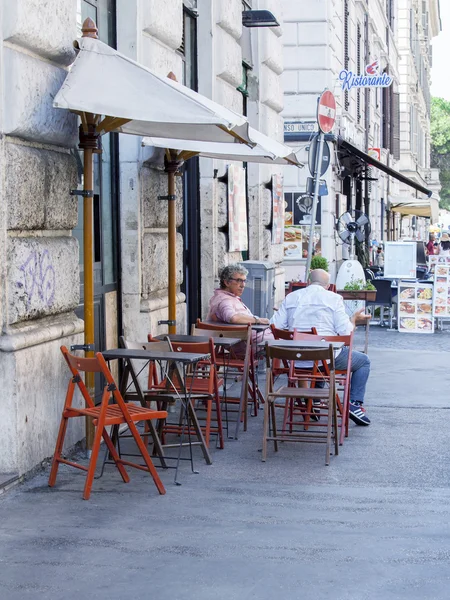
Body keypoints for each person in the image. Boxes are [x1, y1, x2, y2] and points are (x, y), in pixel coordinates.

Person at [270, 268, 372, 426]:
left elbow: (274, 325)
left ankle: (314, 403)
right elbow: (346, 333)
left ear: (309, 282)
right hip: (324, 360)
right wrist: (354, 319)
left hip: (295, 361)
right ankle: (354, 404)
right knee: (363, 361)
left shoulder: (291, 298)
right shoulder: (334, 299)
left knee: (320, 357)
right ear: (328, 285)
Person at [207, 264, 274, 351]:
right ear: (227, 282)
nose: (243, 285)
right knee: (285, 347)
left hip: (255, 340)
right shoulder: (224, 301)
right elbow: (232, 317)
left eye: (244, 281)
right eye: (239, 281)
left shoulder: (227, 297)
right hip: (250, 343)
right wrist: (258, 320)